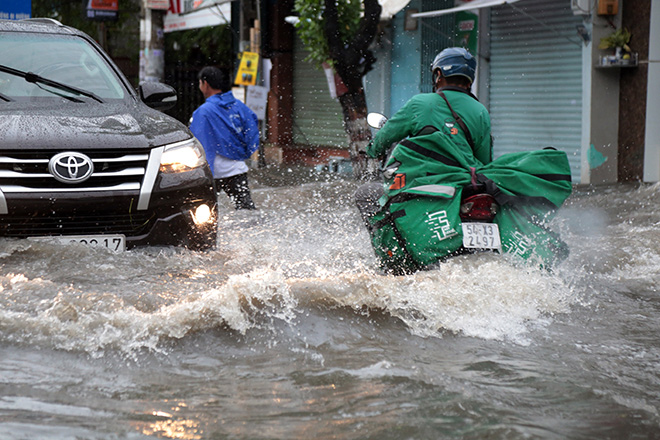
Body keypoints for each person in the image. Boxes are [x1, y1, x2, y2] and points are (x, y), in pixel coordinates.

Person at [355, 47, 493, 225]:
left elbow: (386, 135)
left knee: (365, 193)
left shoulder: (420, 103)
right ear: (469, 80)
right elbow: (484, 160)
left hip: (421, 183)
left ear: (438, 74)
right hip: (464, 187)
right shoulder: (480, 111)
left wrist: (372, 151)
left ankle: (384, 249)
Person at [190, 66, 259, 210]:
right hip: (237, 170)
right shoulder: (239, 106)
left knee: (204, 215)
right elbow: (252, 130)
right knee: (248, 212)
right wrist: (245, 153)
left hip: (212, 174)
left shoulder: (203, 112)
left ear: (205, 84)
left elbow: (197, 144)